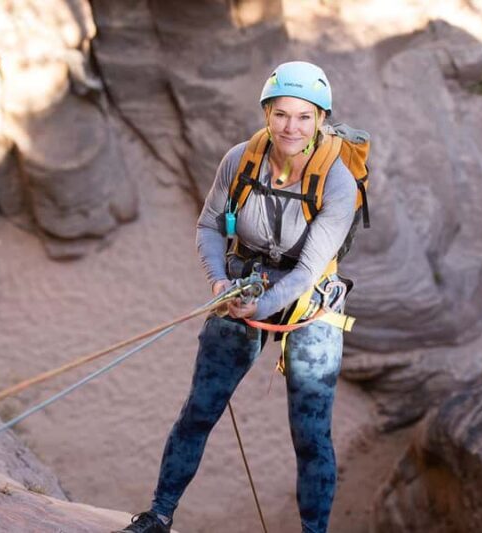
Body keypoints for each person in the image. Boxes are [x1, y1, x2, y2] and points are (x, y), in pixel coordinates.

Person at [116, 61, 357, 533]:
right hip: (244, 284)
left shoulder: (338, 180)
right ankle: (159, 514)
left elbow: (308, 269)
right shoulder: (240, 160)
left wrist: (258, 305)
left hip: (310, 299)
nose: (291, 127)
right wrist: (219, 284)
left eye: (304, 117)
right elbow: (208, 225)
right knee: (200, 408)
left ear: (321, 121)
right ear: (267, 112)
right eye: (282, 114)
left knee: (310, 434)